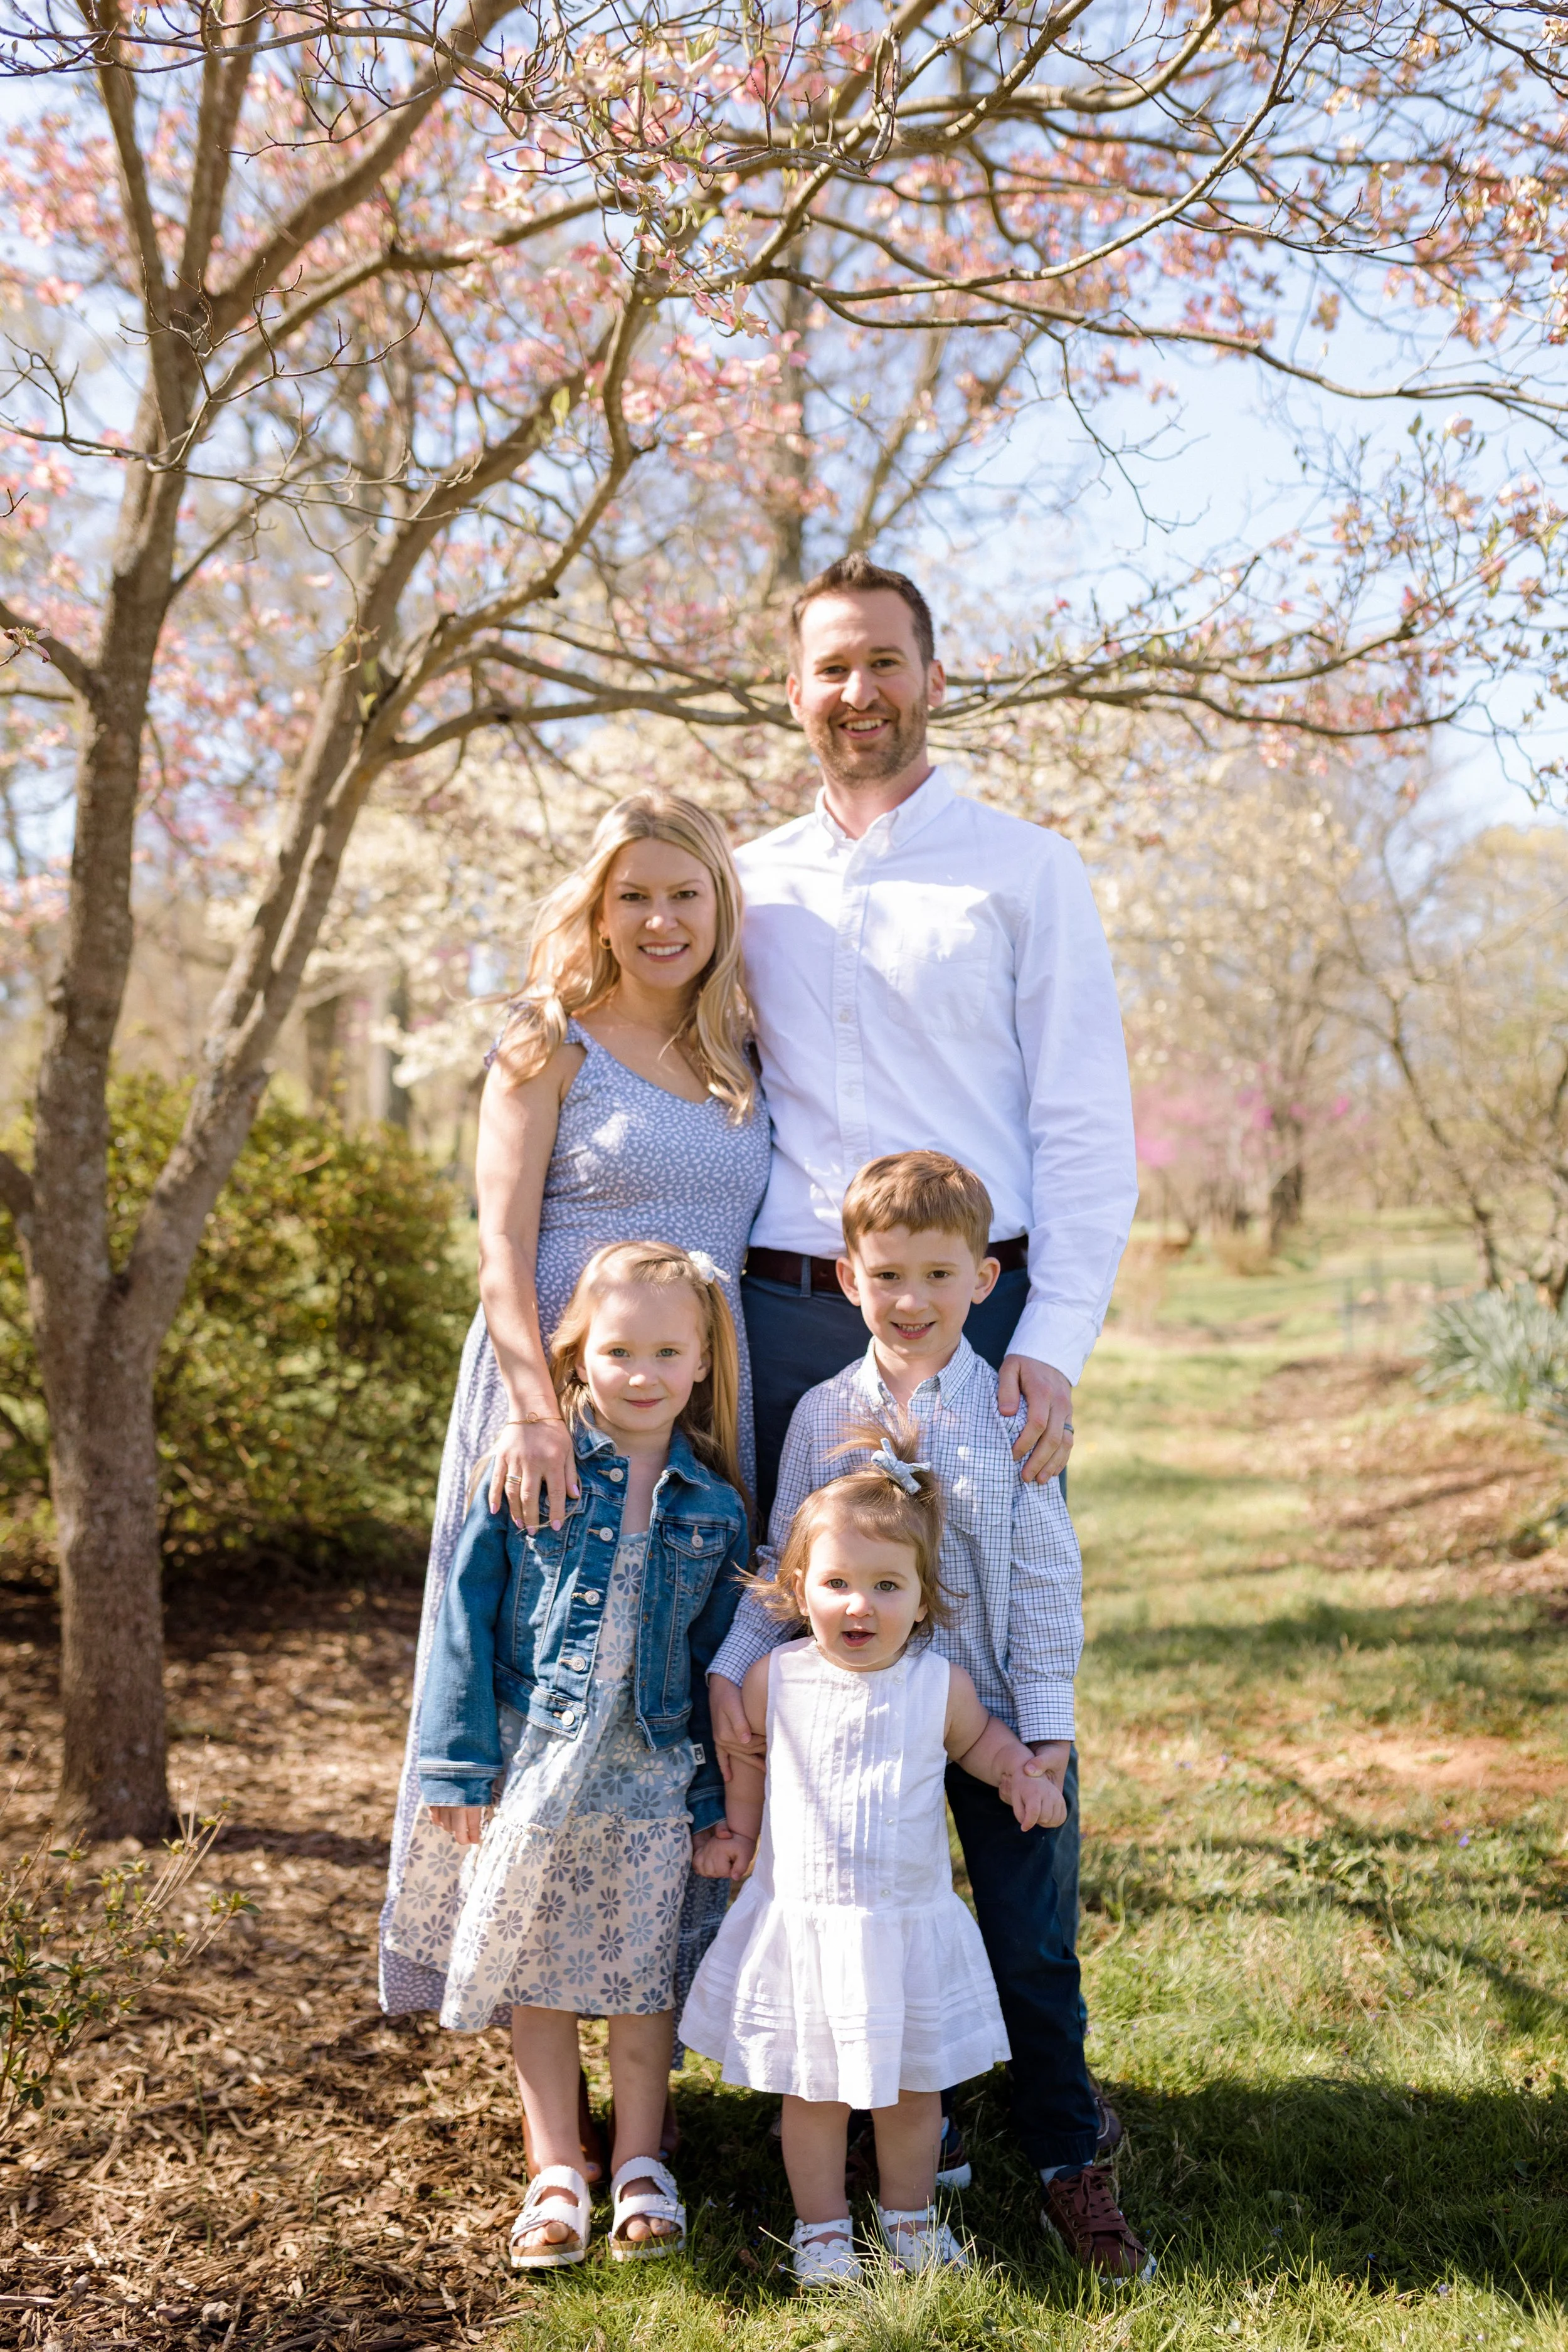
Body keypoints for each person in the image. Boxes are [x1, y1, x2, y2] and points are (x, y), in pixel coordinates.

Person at [379, 790, 771, 2160]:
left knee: (662, 1734)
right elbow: (497, 1250)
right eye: (632, 897)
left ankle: (670, 2103)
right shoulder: (548, 1044)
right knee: (539, 1729)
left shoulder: (740, 1055)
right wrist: (538, 1410)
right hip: (551, 1416)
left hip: (699, 1427)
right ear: (596, 909)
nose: (659, 921)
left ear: (720, 908)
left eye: (685, 896)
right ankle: (558, 2143)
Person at [709, 1152, 1155, 2281]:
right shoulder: (822, 1414)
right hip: (855, 1728)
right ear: (850, 1278)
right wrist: (737, 1668)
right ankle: (908, 2134)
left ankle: (1066, 2157)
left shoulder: (1010, 1405)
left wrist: (1044, 1728)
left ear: (984, 1278)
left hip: (990, 1712)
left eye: (938, 1275)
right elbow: (785, 1560)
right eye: (889, 1274)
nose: (912, 1300)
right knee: (870, 1923)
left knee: (1030, 1940)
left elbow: (1049, 1574)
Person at [386, 1242, 750, 2268]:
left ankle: (640, 2161)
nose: (640, 1373)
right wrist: (457, 1769)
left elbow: (721, 1664)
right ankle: (556, 2167)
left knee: (642, 1977)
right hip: (533, 1765)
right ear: (575, 1354)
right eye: (617, 1349)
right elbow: (463, 1622)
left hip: (648, 1773)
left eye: (666, 1351)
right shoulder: (529, 1471)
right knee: (534, 1969)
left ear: (702, 1364)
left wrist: (722, 1802)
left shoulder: (714, 1507)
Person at [680, 1428, 1060, 2287]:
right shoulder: (776, 1678)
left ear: (923, 1600)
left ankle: (910, 2218)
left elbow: (987, 1745)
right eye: (839, 1584)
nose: (861, 1605)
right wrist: (738, 1829)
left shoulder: (939, 1686)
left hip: (900, 1925)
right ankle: (820, 2228)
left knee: (910, 2092)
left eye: (887, 1586)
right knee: (809, 2092)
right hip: (807, 1922)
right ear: (800, 1591)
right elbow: (748, 1756)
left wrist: (1024, 1774)